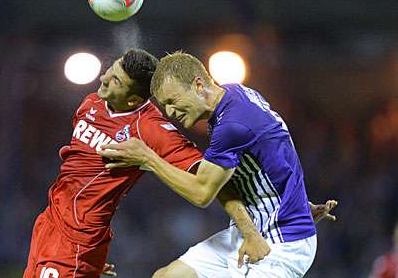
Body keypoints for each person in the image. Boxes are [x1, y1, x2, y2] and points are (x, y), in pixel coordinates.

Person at [23, 49, 271, 278]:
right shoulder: (91, 103)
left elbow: (212, 181)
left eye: (116, 80)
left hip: (74, 241)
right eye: (112, 69)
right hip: (48, 226)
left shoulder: (150, 130)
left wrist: (249, 231)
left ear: (133, 100)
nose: (104, 78)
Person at [100, 51, 327, 278]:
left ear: (198, 85)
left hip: (281, 242)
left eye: (172, 101)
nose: (170, 112)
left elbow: (202, 193)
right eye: (164, 105)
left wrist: (147, 158)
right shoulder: (235, 94)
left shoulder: (232, 125)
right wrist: (298, 201)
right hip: (252, 229)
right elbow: (274, 149)